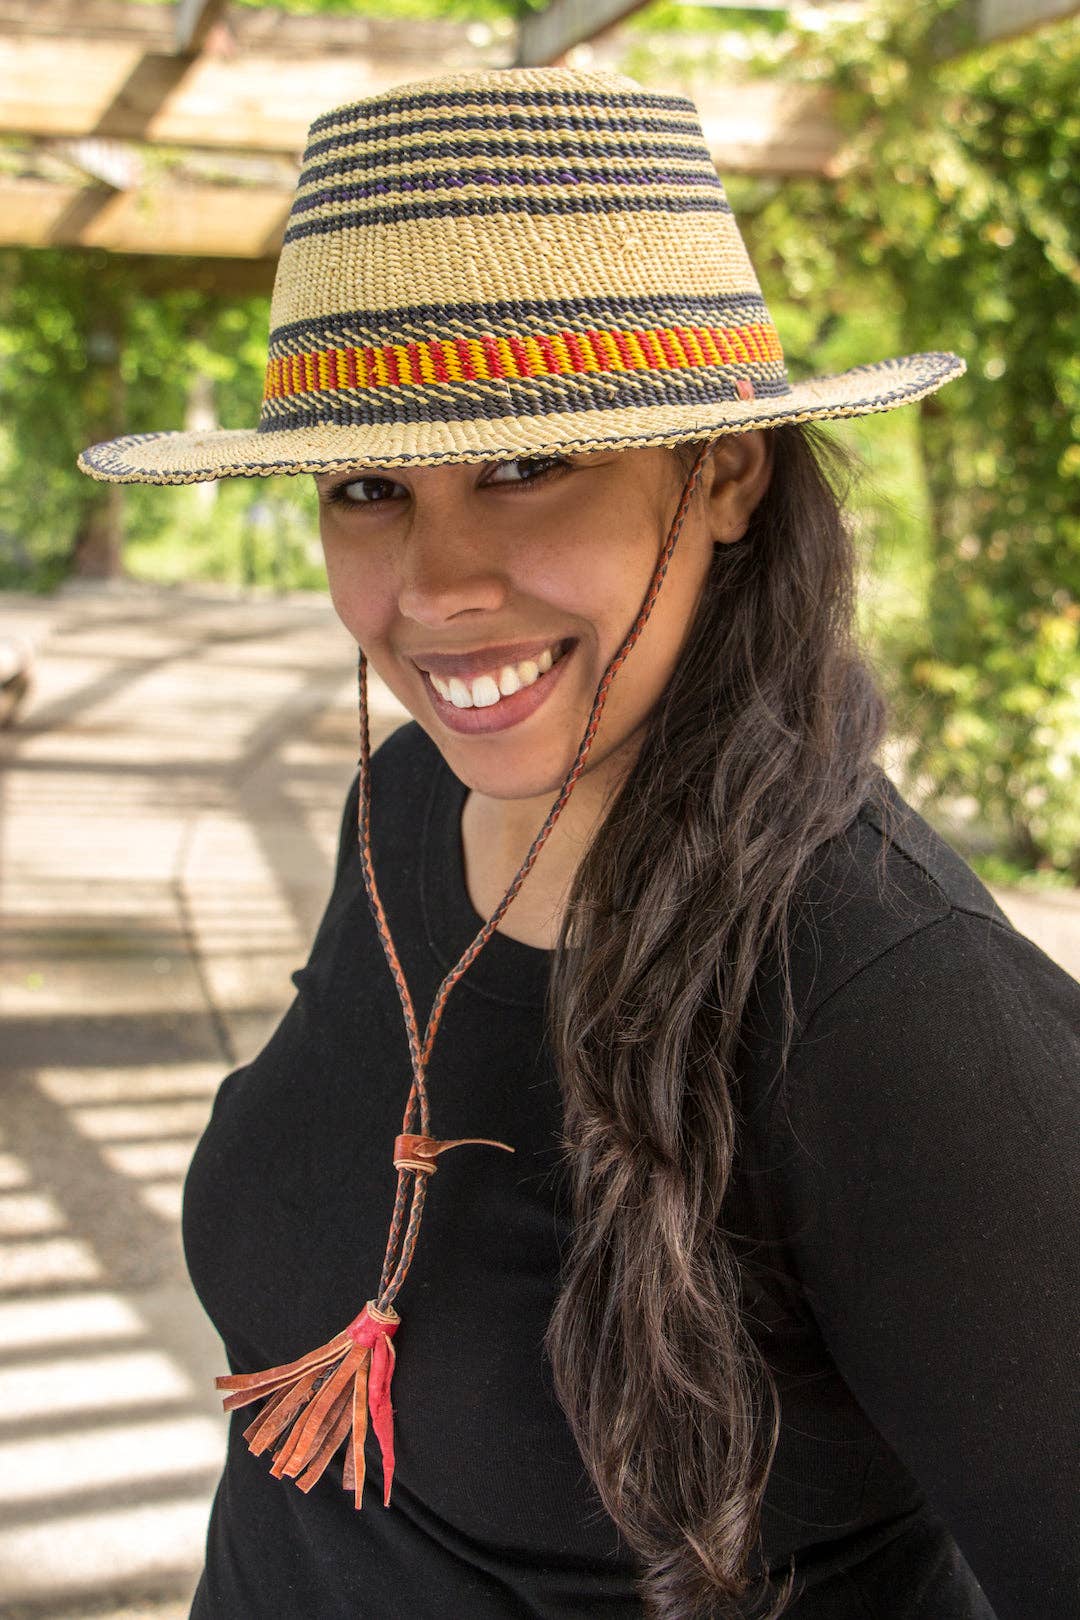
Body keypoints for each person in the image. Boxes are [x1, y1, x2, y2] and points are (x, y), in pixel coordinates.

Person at [77, 65, 1079, 1620]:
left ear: (726, 471)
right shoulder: (407, 808)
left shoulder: (892, 1006)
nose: (436, 581)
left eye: (526, 463)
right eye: (366, 488)